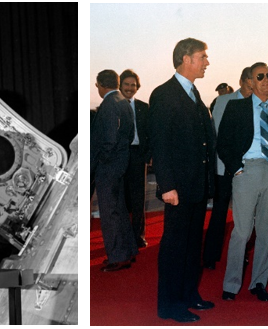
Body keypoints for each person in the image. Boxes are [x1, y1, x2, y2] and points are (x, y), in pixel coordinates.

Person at [149, 37, 215, 323]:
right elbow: (160, 144)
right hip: (178, 188)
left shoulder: (193, 93)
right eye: (202, 57)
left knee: (191, 245)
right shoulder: (164, 94)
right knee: (175, 247)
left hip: (195, 185)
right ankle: (169, 304)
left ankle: (188, 294)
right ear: (186, 59)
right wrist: (167, 186)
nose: (206, 62)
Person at [217, 62, 268, 303]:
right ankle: (231, 284)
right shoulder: (236, 107)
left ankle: (259, 282)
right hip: (246, 172)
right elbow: (223, 143)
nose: (266, 80)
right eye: (260, 76)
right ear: (250, 81)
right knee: (241, 231)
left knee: (266, 231)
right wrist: (237, 168)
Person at [90, 69, 139, 272]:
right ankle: (128, 250)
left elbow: (108, 139)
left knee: (109, 213)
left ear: (101, 85)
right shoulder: (123, 102)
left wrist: (102, 160)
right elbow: (127, 136)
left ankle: (117, 257)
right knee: (119, 209)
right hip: (121, 164)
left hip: (108, 168)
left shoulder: (109, 104)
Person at [204, 67, 252, 270]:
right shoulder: (223, 101)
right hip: (224, 167)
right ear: (241, 81)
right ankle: (209, 256)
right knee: (219, 212)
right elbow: (216, 134)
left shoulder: (257, 103)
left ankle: (241, 256)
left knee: (245, 215)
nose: (251, 90)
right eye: (249, 86)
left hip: (247, 169)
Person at [119, 69, 153, 248]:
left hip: (138, 156)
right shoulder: (114, 105)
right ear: (120, 85)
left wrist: (148, 155)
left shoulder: (143, 107)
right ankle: (123, 237)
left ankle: (138, 236)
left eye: (133, 85)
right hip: (119, 157)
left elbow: (149, 132)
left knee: (138, 198)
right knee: (121, 199)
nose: (130, 88)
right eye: (126, 84)